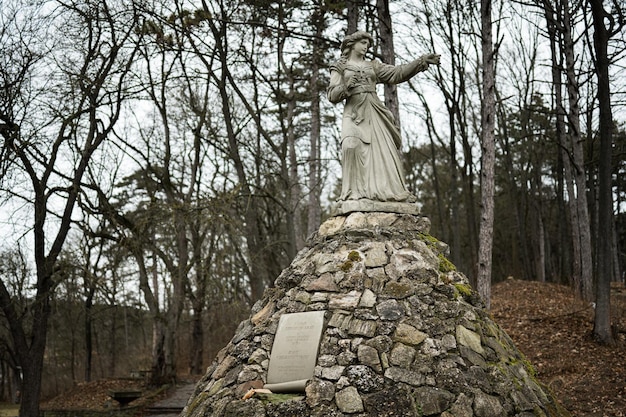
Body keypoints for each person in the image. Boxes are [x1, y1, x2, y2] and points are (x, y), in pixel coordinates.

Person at [327, 30, 440, 203]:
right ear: (352, 44)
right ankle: (353, 194)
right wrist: (346, 87)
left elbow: (397, 73)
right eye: (363, 43)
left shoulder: (373, 66)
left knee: (383, 153)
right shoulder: (340, 67)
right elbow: (332, 96)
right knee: (350, 145)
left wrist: (420, 62)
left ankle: (381, 193)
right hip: (353, 113)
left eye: (368, 44)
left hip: (373, 111)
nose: (366, 47)